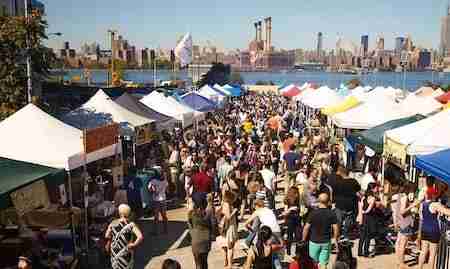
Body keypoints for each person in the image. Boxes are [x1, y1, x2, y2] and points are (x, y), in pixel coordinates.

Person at [302, 193, 339, 269]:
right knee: (323, 263)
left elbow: (306, 228)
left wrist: (303, 239)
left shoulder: (313, 213)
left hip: (314, 241)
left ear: (318, 201)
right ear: (328, 202)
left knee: (313, 264)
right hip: (326, 241)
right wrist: (335, 238)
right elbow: (336, 228)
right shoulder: (331, 213)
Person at [418, 186, 450, 269]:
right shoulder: (435, 204)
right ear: (433, 195)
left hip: (424, 229)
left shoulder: (423, 204)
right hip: (433, 231)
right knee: (432, 254)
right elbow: (447, 213)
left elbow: (421, 218)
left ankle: (419, 267)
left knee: (423, 251)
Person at [105, 204, 144, 269]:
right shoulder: (131, 225)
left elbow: (106, 235)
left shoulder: (113, 223)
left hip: (115, 251)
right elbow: (140, 236)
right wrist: (134, 244)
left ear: (119, 212)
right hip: (126, 250)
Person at [395, 183, 419, 269]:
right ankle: (401, 263)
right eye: (413, 189)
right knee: (403, 244)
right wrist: (412, 206)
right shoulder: (404, 197)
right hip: (406, 222)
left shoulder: (400, 196)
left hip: (402, 222)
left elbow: (397, 210)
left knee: (399, 242)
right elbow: (402, 211)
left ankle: (398, 261)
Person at [333, 166, 361, 238]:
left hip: (340, 205)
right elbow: (359, 191)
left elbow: (334, 193)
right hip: (350, 205)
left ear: (341, 173)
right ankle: (346, 234)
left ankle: (337, 235)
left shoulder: (337, 182)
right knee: (348, 222)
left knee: (338, 222)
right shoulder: (353, 181)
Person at [188, 193, 214, 269]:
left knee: (198, 264)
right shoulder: (209, 212)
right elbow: (213, 225)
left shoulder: (191, 214)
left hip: (195, 239)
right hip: (206, 239)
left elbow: (190, 227)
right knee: (205, 262)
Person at [217, 190, 239, 269]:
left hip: (225, 227)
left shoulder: (223, 203)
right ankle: (230, 264)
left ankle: (225, 261)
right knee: (230, 246)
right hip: (230, 227)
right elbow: (229, 216)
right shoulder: (227, 204)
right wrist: (234, 211)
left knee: (224, 245)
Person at [357, 183, 379, 257]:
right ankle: (366, 252)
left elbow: (361, 208)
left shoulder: (364, 198)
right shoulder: (372, 198)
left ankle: (359, 252)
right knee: (368, 236)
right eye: (376, 188)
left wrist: (361, 215)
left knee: (362, 236)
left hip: (363, 218)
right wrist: (364, 212)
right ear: (372, 189)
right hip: (369, 218)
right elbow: (369, 210)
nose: (377, 189)